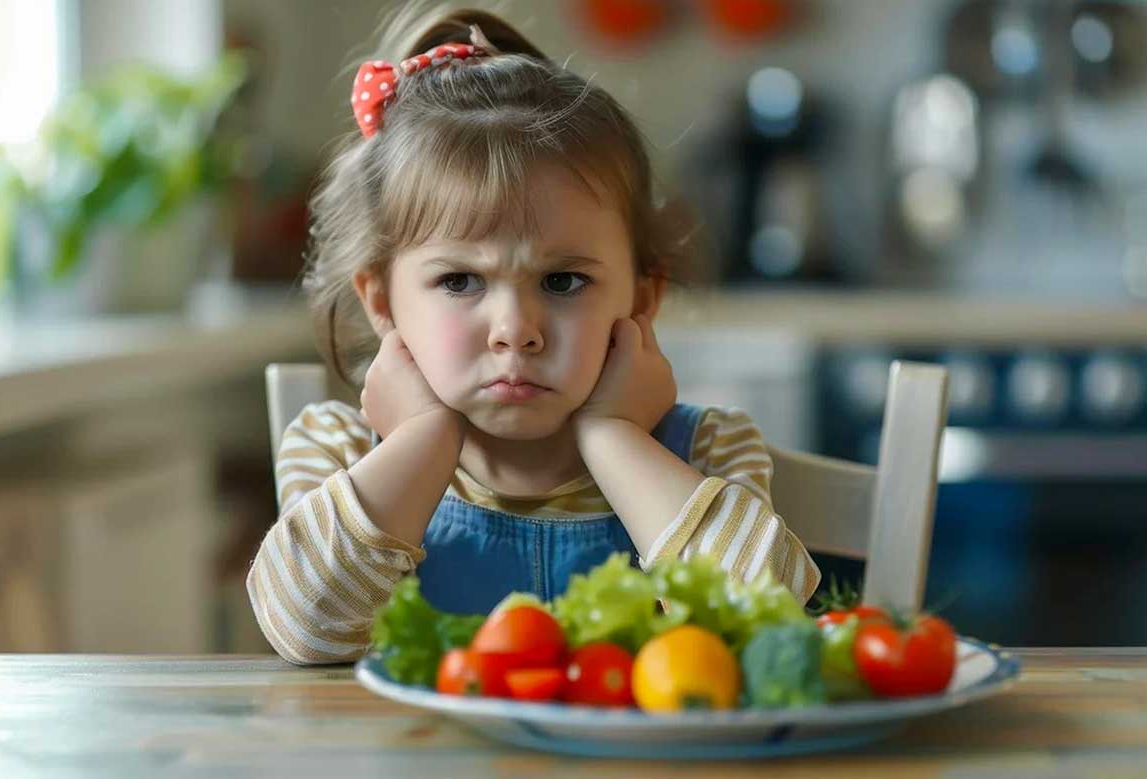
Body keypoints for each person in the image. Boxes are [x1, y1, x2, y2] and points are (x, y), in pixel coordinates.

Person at [247, 8, 820, 665]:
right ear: (382, 301)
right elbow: (304, 633)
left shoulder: (710, 449)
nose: (515, 332)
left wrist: (615, 439)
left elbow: (771, 629)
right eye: (461, 281)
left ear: (640, 297)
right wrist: (421, 440)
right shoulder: (338, 449)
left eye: (563, 282)